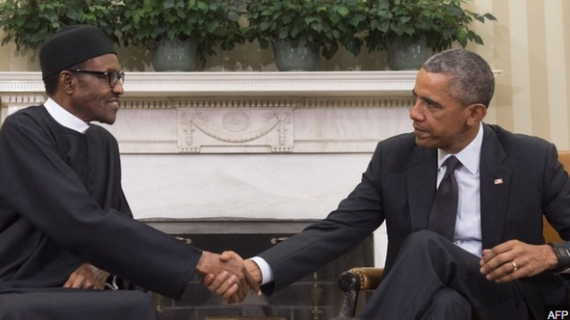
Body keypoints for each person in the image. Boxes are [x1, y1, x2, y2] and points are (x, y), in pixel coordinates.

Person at [205, 48, 570, 320]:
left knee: (429, 245)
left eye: (431, 105)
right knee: (446, 305)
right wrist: (255, 269)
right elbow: (339, 229)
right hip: (437, 301)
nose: (414, 113)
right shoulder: (395, 156)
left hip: (511, 300)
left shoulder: (530, 158)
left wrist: (552, 254)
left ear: (473, 114)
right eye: (415, 98)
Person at [0, 25, 257, 320]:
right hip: (23, 286)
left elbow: (119, 223)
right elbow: (77, 220)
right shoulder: (24, 130)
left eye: (119, 77)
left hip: (82, 287)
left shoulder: (103, 142)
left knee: (134, 301)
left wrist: (101, 265)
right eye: (108, 76)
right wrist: (202, 261)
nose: (119, 88)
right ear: (68, 81)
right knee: (134, 306)